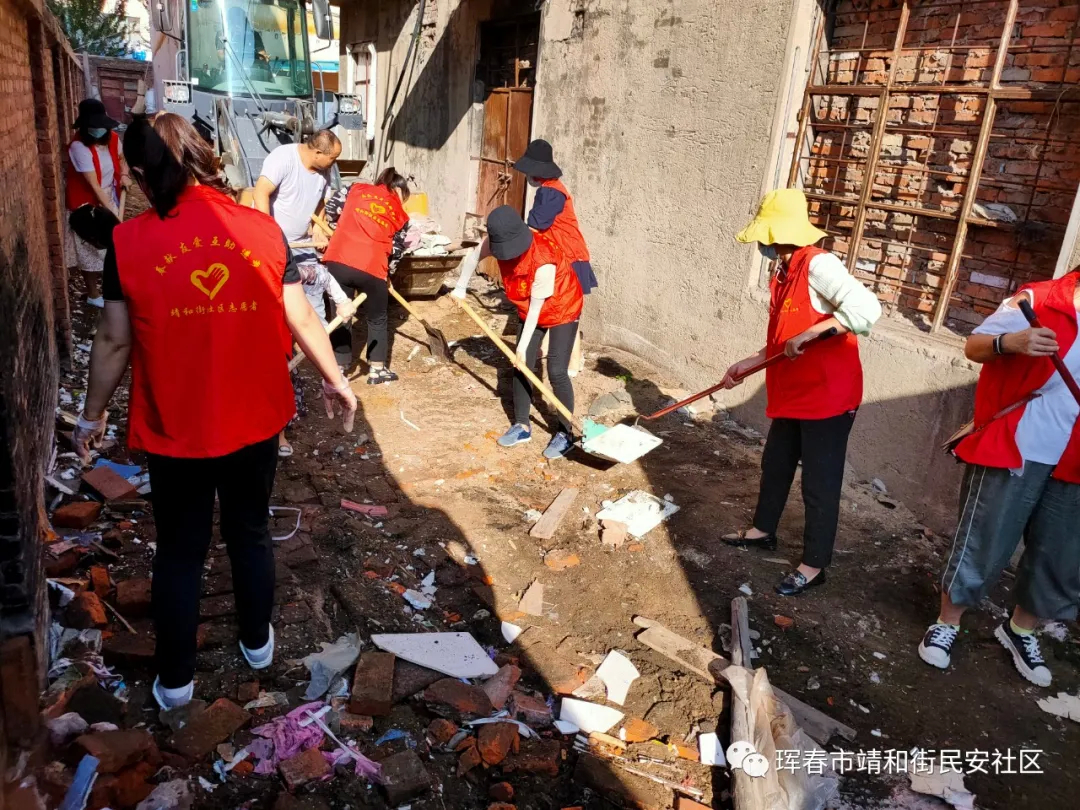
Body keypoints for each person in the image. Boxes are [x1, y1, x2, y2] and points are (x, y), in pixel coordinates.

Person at [71, 112, 357, 711]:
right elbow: (300, 313)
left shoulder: (128, 242)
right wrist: (335, 380)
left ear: (144, 177)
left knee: (180, 548)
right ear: (206, 158)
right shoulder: (261, 228)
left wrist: (91, 417)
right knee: (249, 531)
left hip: (178, 425)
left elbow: (114, 340)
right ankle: (257, 643)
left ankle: (175, 683)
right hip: (255, 419)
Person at [917, 268, 1080, 688]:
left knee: (1060, 553)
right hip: (1021, 441)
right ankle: (947, 623)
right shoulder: (1039, 299)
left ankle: (1019, 630)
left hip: (1075, 456)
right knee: (984, 538)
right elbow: (974, 346)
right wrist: (1014, 342)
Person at [720, 188, 881, 596]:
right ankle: (762, 531)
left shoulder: (818, 265)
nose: (763, 244)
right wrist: (748, 363)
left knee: (819, 484)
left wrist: (814, 332)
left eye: (765, 236)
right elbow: (781, 341)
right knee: (775, 465)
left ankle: (814, 564)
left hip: (828, 397)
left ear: (776, 234)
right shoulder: (784, 272)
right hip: (794, 394)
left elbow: (866, 309)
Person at [254, 131, 342, 456]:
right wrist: (267, 237)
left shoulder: (323, 172)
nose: (333, 164)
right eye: (331, 159)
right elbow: (261, 193)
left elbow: (319, 203)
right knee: (278, 319)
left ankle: (319, 365)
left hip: (301, 249)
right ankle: (284, 362)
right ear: (316, 152)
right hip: (275, 248)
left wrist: (318, 227)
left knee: (314, 305)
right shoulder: (284, 158)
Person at [482, 205, 583, 460]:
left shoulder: (544, 261)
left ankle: (565, 433)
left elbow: (539, 308)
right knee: (522, 364)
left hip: (562, 307)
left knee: (557, 370)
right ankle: (522, 425)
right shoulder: (496, 242)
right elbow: (475, 256)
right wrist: (460, 289)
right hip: (529, 307)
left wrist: (519, 348)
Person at [321, 168, 411, 384]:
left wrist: (339, 228)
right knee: (377, 318)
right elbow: (397, 251)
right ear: (398, 191)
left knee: (341, 314)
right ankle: (377, 370)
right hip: (372, 265)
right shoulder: (401, 214)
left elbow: (331, 209)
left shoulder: (354, 188)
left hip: (339, 259)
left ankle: (340, 366)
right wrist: (388, 274)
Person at [514, 139, 593, 375]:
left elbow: (536, 225)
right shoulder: (553, 188)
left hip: (569, 257)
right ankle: (569, 360)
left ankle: (572, 363)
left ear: (536, 171)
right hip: (566, 255)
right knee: (566, 312)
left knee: (568, 313)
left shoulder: (550, 193)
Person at [67, 99, 131, 308]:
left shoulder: (112, 138)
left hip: (109, 195)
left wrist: (124, 175)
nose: (98, 130)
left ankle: (113, 288)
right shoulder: (78, 147)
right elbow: (93, 185)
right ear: (85, 127)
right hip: (87, 206)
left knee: (110, 250)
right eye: (93, 127)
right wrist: (114, 215)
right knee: (91, 251)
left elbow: (122, 158)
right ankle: (94, 294)